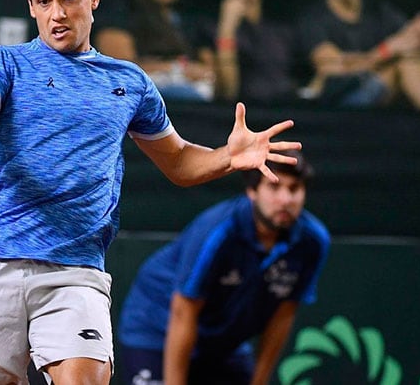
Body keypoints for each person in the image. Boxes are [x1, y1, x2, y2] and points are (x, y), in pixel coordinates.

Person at [0, 0, 301, 384]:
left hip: (76, 274)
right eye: (44, 1)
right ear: (31, 6)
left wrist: (228, 157)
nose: (57, 13)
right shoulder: (4, 62)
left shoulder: (130, 82)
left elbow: (178, 162)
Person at [118, 150, 330, 385]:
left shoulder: (313, 241)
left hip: (223, 343)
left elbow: (283, 316)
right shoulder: (218, 232)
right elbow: (183, 311)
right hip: (158, 329)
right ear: (252, 191)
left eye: (294, 189)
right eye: (274, 187)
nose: (285, 200)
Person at [95, 0, 215, 101]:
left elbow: (214, 77)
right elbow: (120, 74)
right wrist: (177, 69)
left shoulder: (192, 24)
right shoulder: (119, 20)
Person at [208, 0, 299, 104]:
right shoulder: (208, 29)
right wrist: (227, 27)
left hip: (287, 110)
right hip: (238, 115)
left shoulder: (282, 30)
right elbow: (228, 91)